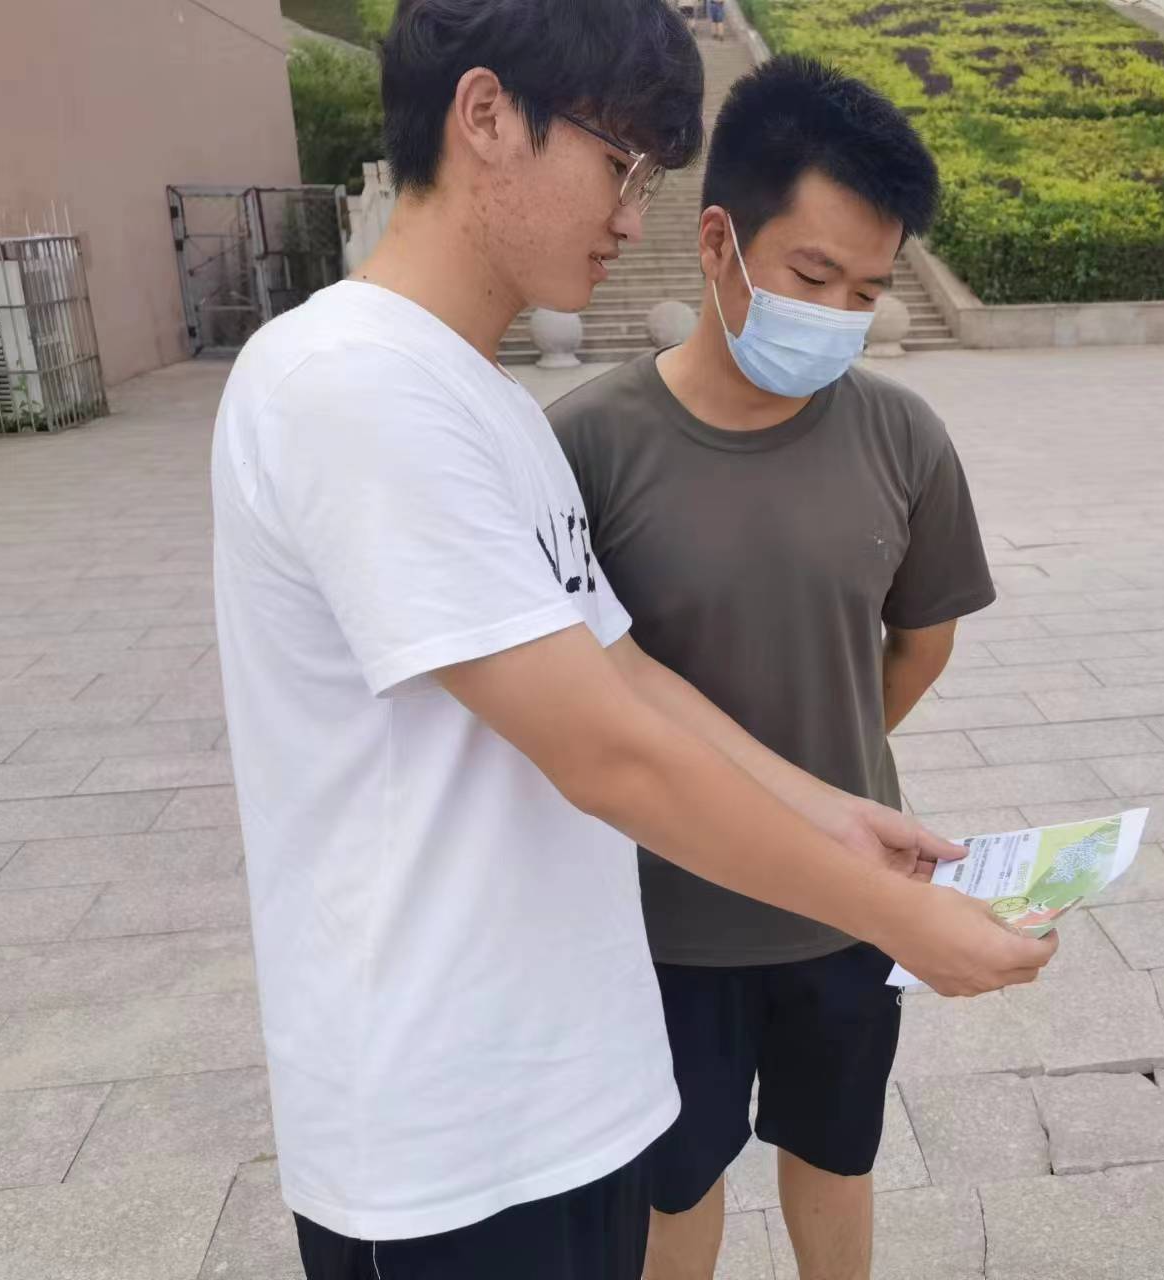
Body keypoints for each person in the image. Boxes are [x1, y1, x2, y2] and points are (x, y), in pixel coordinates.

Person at [208, 3, 1056, 1277]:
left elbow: (629, 673)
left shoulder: (484, 403)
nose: (627, 214)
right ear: (485, 116)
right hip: (445, 1141)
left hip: (562, 1096)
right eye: (618, 163)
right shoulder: (352, 384)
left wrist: (837, 813)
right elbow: (605, 750)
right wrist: (896, 915)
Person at [548, 56, 996, 1280]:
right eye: (811, 275)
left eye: (867, 289)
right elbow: (579, 695)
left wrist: (830, 765)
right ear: (717, 242)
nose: (839, 314)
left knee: (836, 1156)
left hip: (850, 902)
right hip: (661, 919)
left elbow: (922, 637)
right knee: (673, 1183)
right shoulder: (585, 447)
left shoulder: (901, 435)